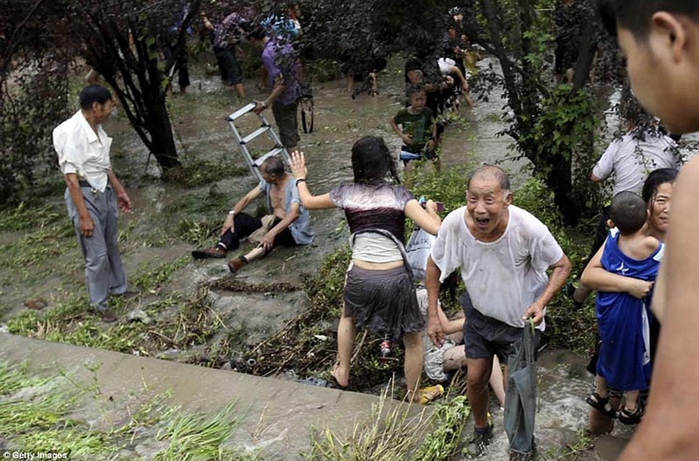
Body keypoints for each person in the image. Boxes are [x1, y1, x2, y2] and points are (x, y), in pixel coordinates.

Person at [593, 3, 699, 458]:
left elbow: (679, 428)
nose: (633, 74)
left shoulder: (692, 186)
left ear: (670, 39)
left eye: (627, 55)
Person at [425, 165, 572, 457]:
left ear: (507, 199)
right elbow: (434, 266)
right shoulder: (455, 224)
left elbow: (562, 265)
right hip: (479, 316)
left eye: (488, 200)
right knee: (475, 378)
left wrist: (541, 302)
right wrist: (433, 316)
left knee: (516, 388)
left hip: (519, 323)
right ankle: (482, 429)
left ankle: (522, 446)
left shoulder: (528, 228)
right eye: (472, 199)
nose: (480, 209)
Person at [288, 136, 442, 402]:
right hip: (395, 279)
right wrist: (431, 210)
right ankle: (414, 393)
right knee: (412, 339)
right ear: (386, 164)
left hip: (359, 275)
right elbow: (436, 229)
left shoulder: (345, 192)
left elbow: (308, 201)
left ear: (356, 164)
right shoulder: (400, 195)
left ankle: (343, 370)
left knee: (347, 318)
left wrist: (300, 177)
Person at [580, 168, 677, 435]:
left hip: (665, 339)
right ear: (647, 205)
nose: (669, 209)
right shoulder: (627, 234)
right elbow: (590, 275)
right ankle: (596, 444)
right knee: (605, 400)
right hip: (625, 329)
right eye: (662, 200)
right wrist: (631, 285)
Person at [572, 103, 679, 306]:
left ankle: (578, 300)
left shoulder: (620, 142)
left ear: (629, 122)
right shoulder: (669, 145)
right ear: (655, 121)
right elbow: (678, 179)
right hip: (656, 215)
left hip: (621, 212)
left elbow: (596, 176)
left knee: (599, 256)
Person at [52, 85, 132, 323]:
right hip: (85, 195)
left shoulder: (97, 129)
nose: (111, 110)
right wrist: (84, 216)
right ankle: (99, 304)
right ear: (96, 107)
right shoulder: (70, 132)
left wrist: (119, 190)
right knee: (96, 255)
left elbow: (104, 166)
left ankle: (119, 287)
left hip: (103, 190)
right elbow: (71, 180)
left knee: (110, 244)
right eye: (109, 105)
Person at [191, 156, 313, 273]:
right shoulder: (268, 182)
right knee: (239, 218)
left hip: (293, 230)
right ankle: (221, 247)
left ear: (273, 176)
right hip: (272, 222)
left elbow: (294, 214)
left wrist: (271, 233)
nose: (262, 177)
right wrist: (230, 215)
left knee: (278, 234)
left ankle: (243, 260)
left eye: (263, 174)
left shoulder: (294, 185)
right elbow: (247, 198)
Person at [415, 287, 506, 407]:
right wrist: (484, 320)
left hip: (439, 339)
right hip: (433, 354)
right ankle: (505, 403)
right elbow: (447, 327)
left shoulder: (419, 288)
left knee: (469, 311)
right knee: (488, 355)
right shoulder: (424, 294)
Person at [247, 25, 302, 152]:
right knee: (292, 131)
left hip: (284, 99)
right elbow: (298, 63)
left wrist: (265, 103)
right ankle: (298, 160)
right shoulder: (282, 40)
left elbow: (281, 83)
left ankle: (297, 169)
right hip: (296, 92)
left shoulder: (267, 54)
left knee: (289, 138)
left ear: (252, 38)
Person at [389, 83, 439, 171]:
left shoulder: (427, 112)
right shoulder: (403, 113)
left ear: (426, 99)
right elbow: (392, 122)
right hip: (409, 148)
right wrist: (402, 135)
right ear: (410, 100)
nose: (420, 103)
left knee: (430, 171)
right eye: (416, 100)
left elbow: (434, 124)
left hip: (425, 147)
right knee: (410, 173)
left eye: (422, 99)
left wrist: (433, 139)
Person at [201, 10, 247, 98]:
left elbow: (226, 33)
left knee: (231, 70)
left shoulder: (229, 18)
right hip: (224, 48)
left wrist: (236, 47)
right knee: (235, 72)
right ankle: (243, 98)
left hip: (220, 47)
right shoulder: (236, 17)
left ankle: (232, 90)